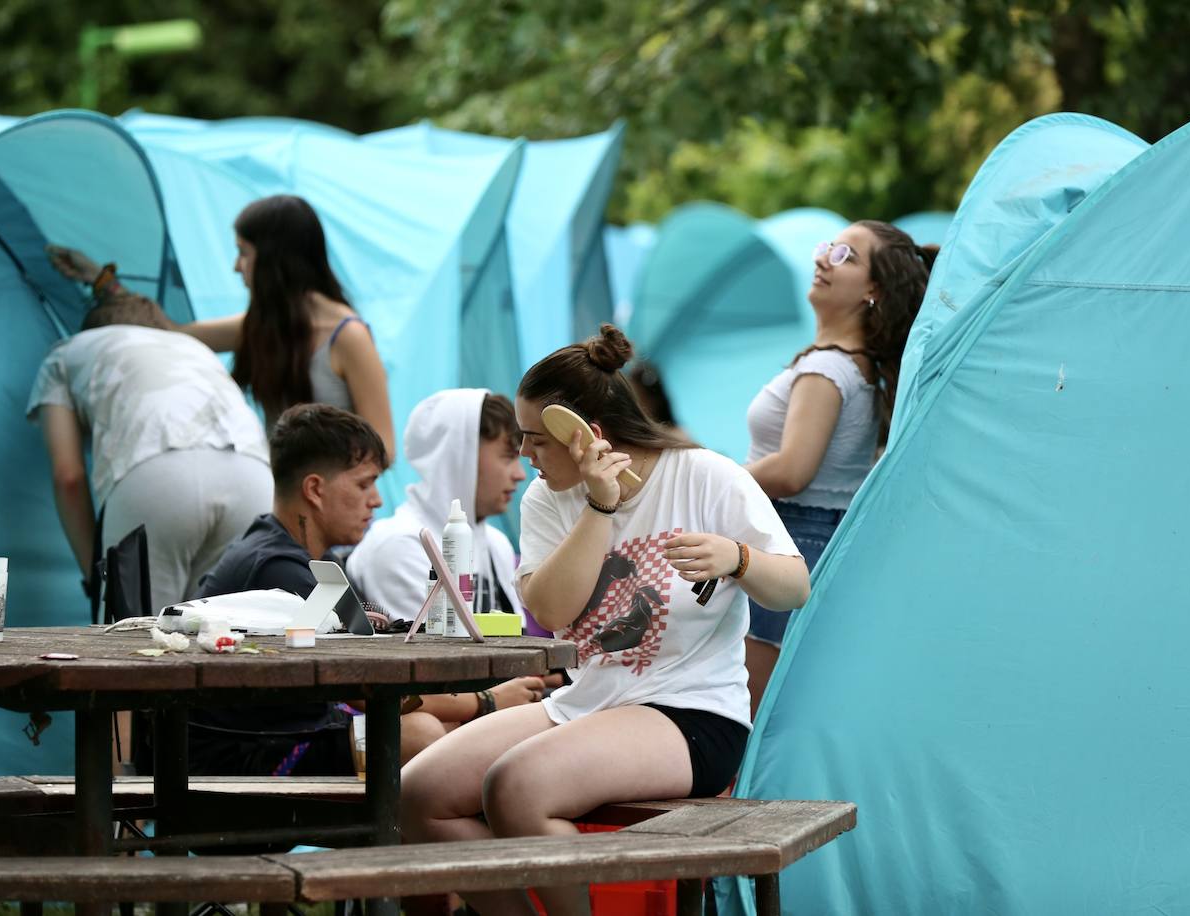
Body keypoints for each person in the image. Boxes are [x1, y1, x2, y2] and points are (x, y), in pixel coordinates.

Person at [399, 325, 810, 916]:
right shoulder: (549, 498)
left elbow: (795, 588)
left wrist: (738, 558)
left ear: (585, 434)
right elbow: (551, 611)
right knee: (419, 793)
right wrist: (600, 503)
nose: (524, 455)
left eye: (537, 439)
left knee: (518, 786)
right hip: (585, 703)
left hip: (693, 712)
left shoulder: (702, 474)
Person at [742, 220, 937, 715]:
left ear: (873, 289)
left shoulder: (827, 370)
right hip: (821, 544)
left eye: (846, 255)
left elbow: (791, 472)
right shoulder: (860, 367)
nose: (823, 259)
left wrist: (715, 476)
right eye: (828, 247)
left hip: (792, 540)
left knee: (749, 722)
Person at [47, 194, 395, 457]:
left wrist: (311, 462)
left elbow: (385, 448)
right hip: (277, 509)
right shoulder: (264, 326)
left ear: (276, 260)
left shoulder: (348, 336)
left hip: (333, 526)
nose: (235, 266)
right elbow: (170, 334)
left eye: (244, 252)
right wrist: (102, 279)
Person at [26, 286, 273, 615]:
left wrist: (97, 576)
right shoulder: (194, 347)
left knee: (132, 645)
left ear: (93, 328)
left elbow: (68, 477)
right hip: (254, 476)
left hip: (156, 472)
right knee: (220, 638)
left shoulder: (66, 353)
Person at [348, 388, 554, 754]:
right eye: (508, 456)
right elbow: (425, 678)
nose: (519, 474)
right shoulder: (400, 544)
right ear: (458, 457)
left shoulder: (493, 542)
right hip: (440, 726)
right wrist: (495, 697)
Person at [188, 403, 387, 776]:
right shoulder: (278, 570)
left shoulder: (312, 558)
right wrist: (485, 702)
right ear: (314, 489)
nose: (376, 499)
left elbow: (369, 644)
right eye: (364, 483)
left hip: (286, 734)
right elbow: (367, 687)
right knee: (418, 734)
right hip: (244, 762)